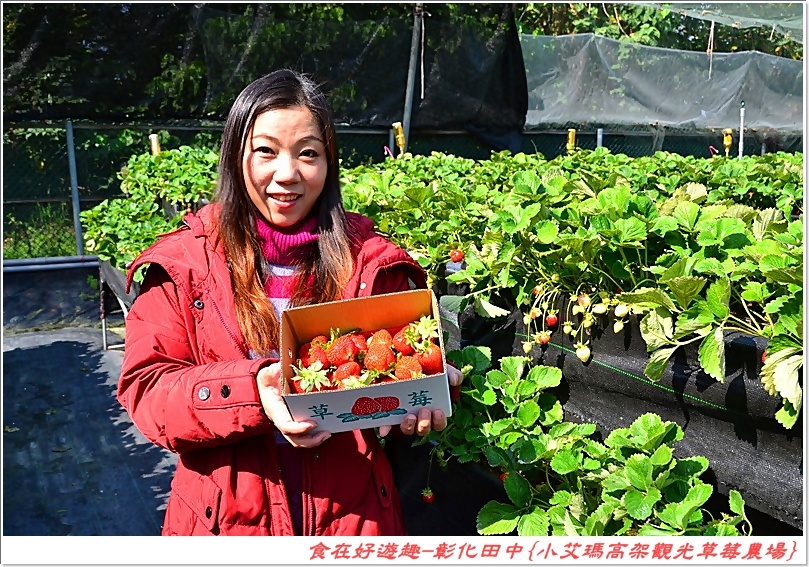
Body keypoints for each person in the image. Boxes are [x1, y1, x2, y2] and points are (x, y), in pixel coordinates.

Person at [117, 69, 463, 536]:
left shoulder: (373, 262)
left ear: (329, 162)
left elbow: (404, 367)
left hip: (354, 520)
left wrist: (428, 394)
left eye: (308, 153)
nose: (287, 173)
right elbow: (147, 390)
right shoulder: (184, 264)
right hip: (228, 525)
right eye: (265, 151)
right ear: (236, 157)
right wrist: (251, 390)